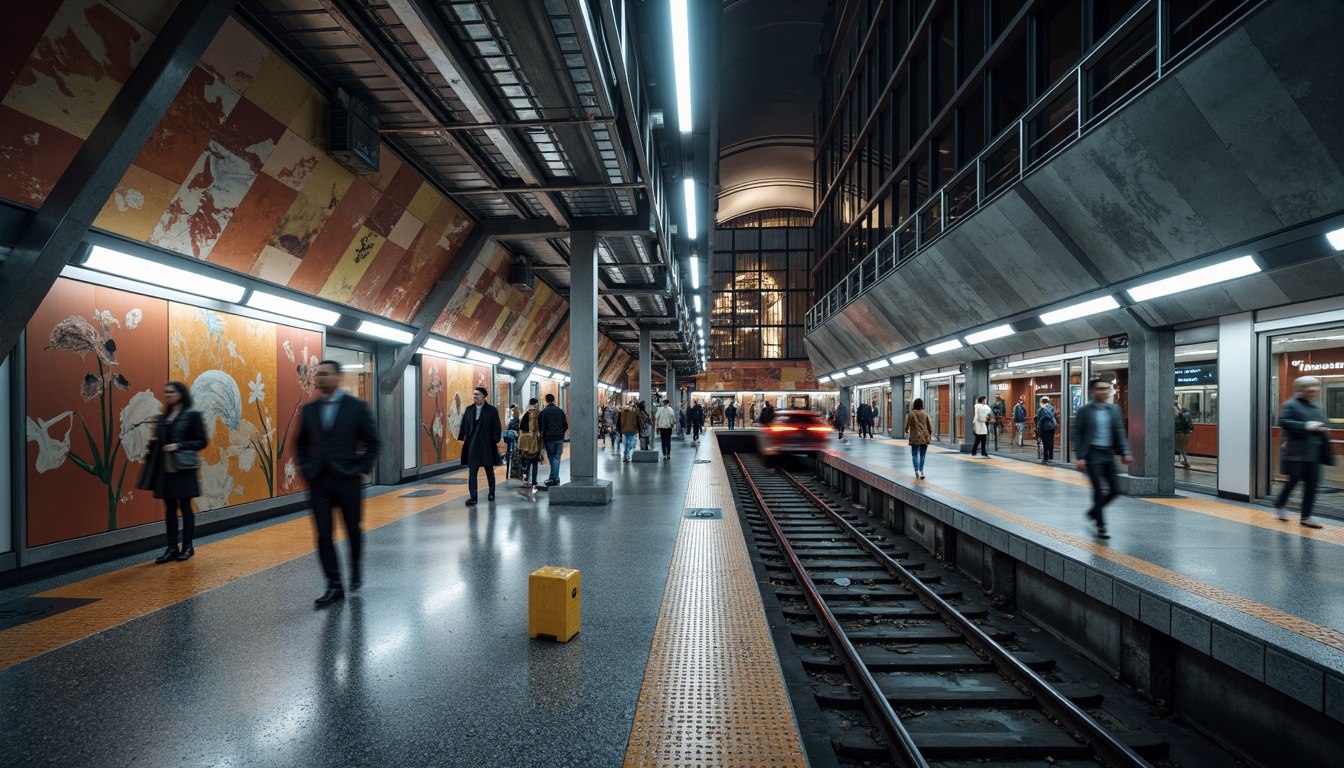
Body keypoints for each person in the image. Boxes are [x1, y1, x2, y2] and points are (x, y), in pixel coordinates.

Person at [296, 360, 380, 607]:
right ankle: (334, 584)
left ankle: (355, 568)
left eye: (324, 374)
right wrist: (307, 469)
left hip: (348, 480)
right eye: (317, 374)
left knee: (352, 528)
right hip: (319, 481)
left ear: (337, 377)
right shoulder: (309, 410)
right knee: (323, 534)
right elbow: (300, 443)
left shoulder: (356, 407)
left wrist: (361, 470)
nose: (319, 378)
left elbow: (373, 442)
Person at [140, 381, 208, 564]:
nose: (168, 394)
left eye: (172, 391)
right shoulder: (163, 417)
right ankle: (171, 548)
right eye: (166, 392)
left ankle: (187, 546)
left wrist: (178, 445)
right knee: (169, 508)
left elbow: (202, 441)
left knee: (185, 507)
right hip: (165, 468)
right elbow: (158, 442)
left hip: (183, 467)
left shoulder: (192, 415)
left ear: (181, 393)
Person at [1072, 379, 1130, 540]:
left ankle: (1093, 512)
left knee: (1115, 490)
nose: (1104, 391)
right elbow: (1077, 434)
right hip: (1092, 455)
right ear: (1093, 391)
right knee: (1097, 489)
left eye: (1106, 388)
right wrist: (1080, 457)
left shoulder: (1114, 410)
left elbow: (1119, 432)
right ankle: (1101, 526)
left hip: (1108, 454)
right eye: (1100, 389)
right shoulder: (1085, 411)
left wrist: (1125, 451)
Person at [1274, 376, 1330, 528]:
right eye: (1308, 386)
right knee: (1293, 481)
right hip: (1296, 453)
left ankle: (1306, 517)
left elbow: (1324, 422)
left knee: (1312, 485)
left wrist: (1322, 427)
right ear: (1299, 389)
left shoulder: (1318, 407)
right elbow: (1284, 422)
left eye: (1314, 386)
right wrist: (1305, 425)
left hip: (1313, 453)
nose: (1312, 389)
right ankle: (1280, 503)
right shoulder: (1290, 405)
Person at [457, 386, 502, 506]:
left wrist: (494, 439)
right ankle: (473, 497)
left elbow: (496, 426)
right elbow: (464, 424)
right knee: (472, 472)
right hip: (472, 445)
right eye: (474, 395)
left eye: (478, 395)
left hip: (487, 444)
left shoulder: (492, 410)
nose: (475, 397)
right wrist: (463, 437)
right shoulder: (469, 409)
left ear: (484, 396)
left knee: (489, 470)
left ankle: (491, 492)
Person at [537, 393, 568, 487]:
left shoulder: (543, 412)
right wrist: (561, 432)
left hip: (549, 438)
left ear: (546, 401)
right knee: (557, 457)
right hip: (559, 437)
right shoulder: (560, 411)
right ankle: (556, 477)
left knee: (552, 457)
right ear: (554, 400)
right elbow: (565, 425)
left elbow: (540, 426)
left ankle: (553, 477)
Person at [904, 398, 933, 480]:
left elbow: (906, 424)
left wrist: (906, 430)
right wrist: (930, 433)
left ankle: (916, 471)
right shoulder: (925, 413)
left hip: (915, 437)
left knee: (915, 454)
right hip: (924, 436)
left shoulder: (911, 413)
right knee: (922, 455)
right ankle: (921, 470)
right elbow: (930, 425)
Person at [519, 398, 543, 489]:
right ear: (536, 404)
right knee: (535, 462)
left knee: (527, 461)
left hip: (526, 442)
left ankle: (526, 479)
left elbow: (521, 427)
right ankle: (534, 480)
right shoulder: (538, 414)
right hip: (535, 441)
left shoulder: (525, 414)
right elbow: (540, 428)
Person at [1035, 396, 1058, 464]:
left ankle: (1046, 458)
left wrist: (1038, 428)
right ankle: (1050, 457)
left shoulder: (1042, 409)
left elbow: (1040, 420)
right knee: (1051, 443)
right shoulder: (1052, 408)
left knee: (1045, 443)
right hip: (1052, 427)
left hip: (1044, 428)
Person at [1174, 399, 1194, 468]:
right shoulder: (1181, 414)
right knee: (1181, 448)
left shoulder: (1181, 415)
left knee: (1181, 449)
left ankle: (1184, 461)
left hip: (1180, 433)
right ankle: (1183, 461)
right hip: (1180, 433)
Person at [503, 404, 521, 473]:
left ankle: (508, 459)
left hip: (510, 437)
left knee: (510, 450)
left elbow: (507, 426)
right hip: (515, 437)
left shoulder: (511, 418)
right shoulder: (518, 417)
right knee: (514, 451)